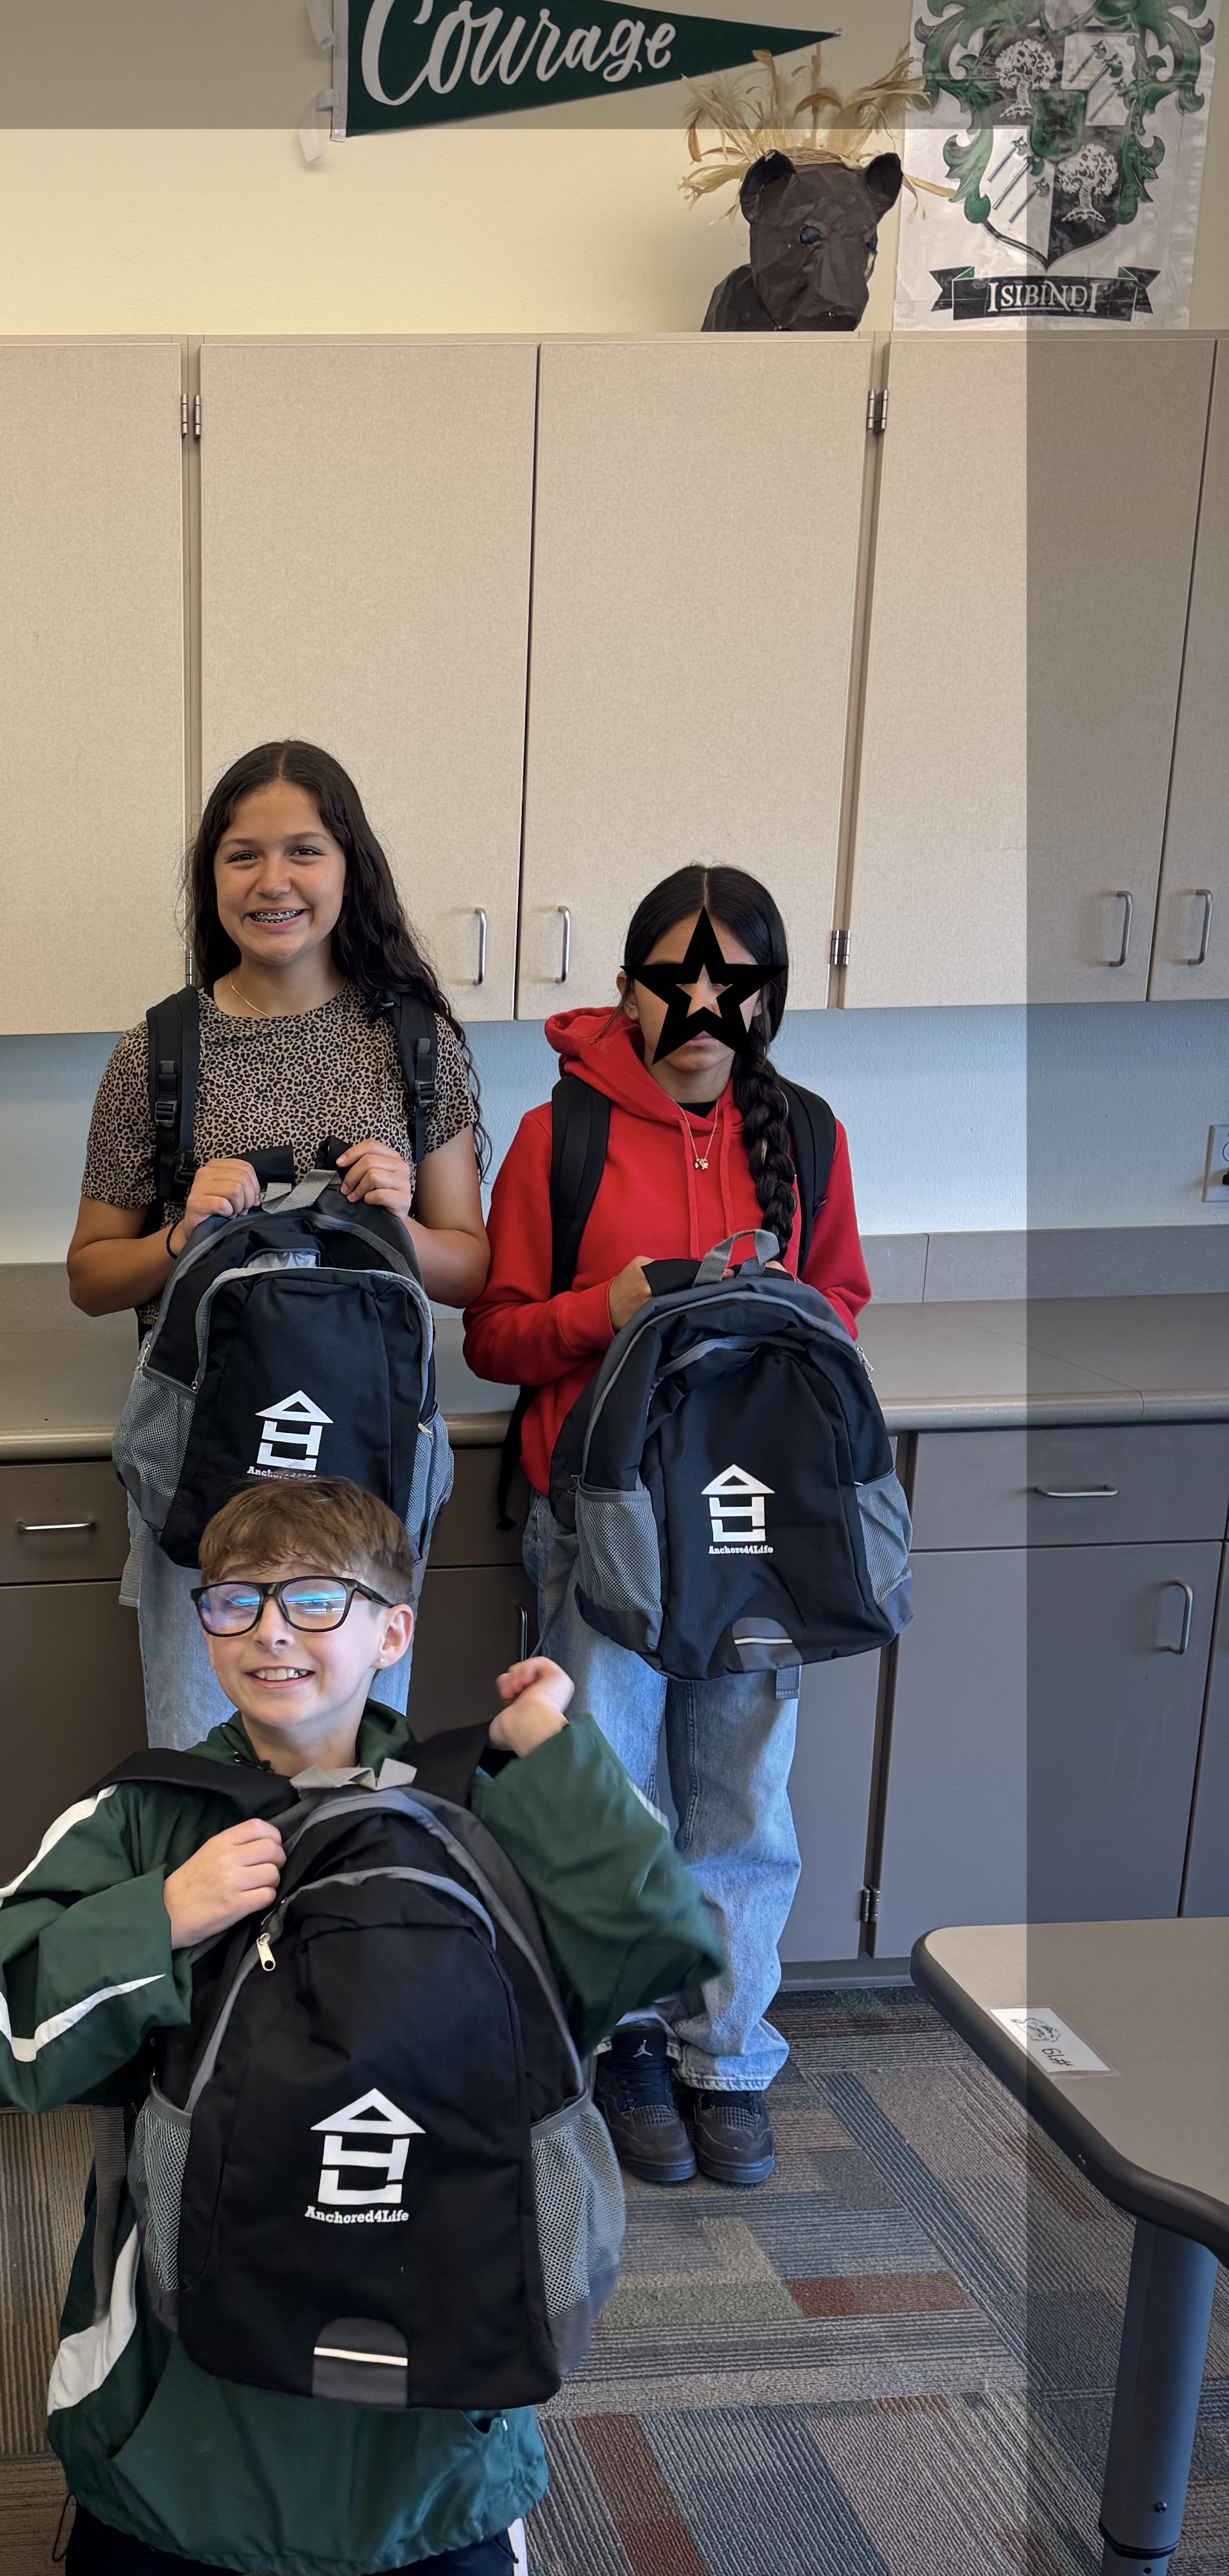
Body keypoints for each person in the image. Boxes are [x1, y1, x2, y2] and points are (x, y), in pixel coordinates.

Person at [0, 1476, 718, 2576]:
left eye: (314, 1601)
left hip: (428, 2303)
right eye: (235, 1603)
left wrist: (551, 1749)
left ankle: (470, 2513)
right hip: (202, 2330)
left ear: (393, 1632)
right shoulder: (149, 1814)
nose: (271, 1633)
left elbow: (659, 1941)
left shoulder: (474, 1803)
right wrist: (161, 1916)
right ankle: (182, 2500)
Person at [463, 863, 871, 2190]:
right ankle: (622, 2043)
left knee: (744, 1797)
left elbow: (845, 1308)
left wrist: (765, 1311)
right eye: (672, 977)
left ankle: (727, 2055)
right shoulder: (558, 1139)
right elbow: (495, 1337)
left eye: (732, 981)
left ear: (769, 998)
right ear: (628, 991)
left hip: (756, 1530)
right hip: (605, 1528)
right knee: (610, 1787)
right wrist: (615, 1307)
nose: (702, 1005)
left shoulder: (809, 1136)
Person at [67, 739, 492, 1748]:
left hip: (369, 1471)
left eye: (303, 851)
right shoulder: (158, 1053)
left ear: (350, 867)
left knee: (352, 1774)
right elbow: (90, 1275)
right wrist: (181, 1236)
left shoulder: (417, 1045)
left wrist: (400, 1228)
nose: (273, 882)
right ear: (210, 876)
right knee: (204, 1771)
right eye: (242, 856)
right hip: (205, 1475)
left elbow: (470, 1268)